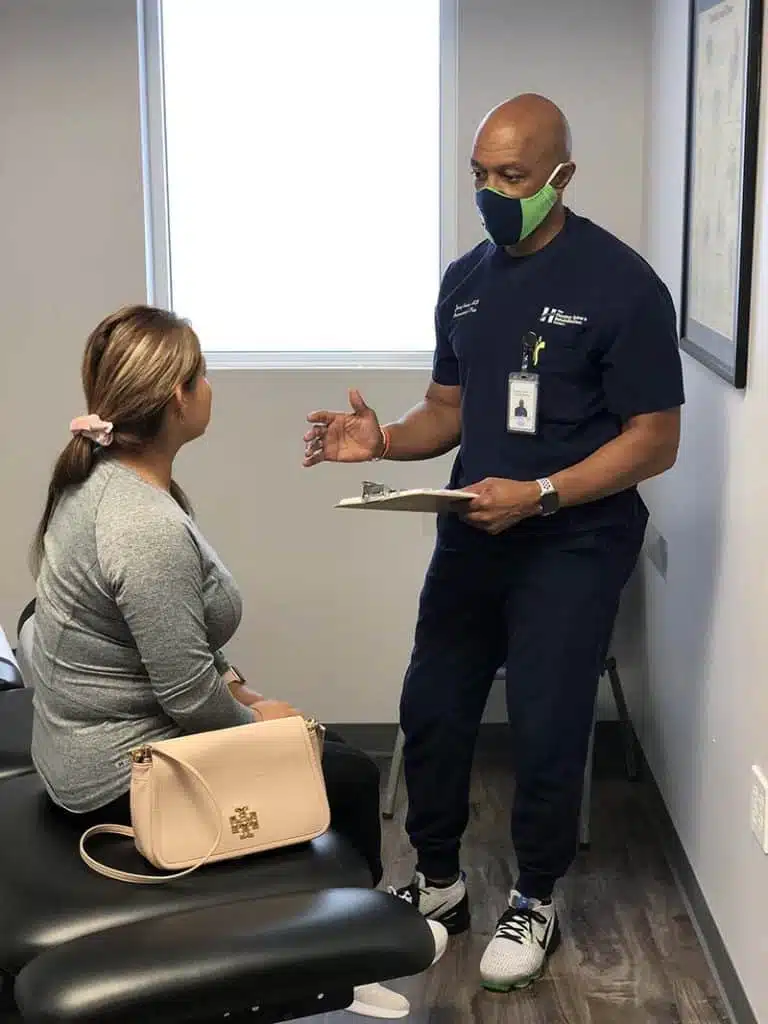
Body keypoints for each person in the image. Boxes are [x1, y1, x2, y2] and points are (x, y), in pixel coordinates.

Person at [303, 94, 684, 993]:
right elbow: (448, 409)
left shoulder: (624, 285)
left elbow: (654, 438)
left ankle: (536, 896)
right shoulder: (465, 280)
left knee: (550, 722)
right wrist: (384, 442)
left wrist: (544, 492)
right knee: (432, 704)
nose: (493, 193)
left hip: (575, 541)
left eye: (512, 177)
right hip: (473, 528)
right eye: (480, 175)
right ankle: (437, 885)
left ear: (561, 177)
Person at [30, 304, 445, 1019]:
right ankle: (346, 954)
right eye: (203, 375)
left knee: (318, 743)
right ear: (175, 400)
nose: (211, 387)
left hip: (86, 746)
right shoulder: (143, 526)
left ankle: (336, 929)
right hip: (113, 779)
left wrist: (243, 693)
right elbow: (187, 696)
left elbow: (175, 644)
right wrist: (257, 727)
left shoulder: (107, 480)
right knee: (346, 772)